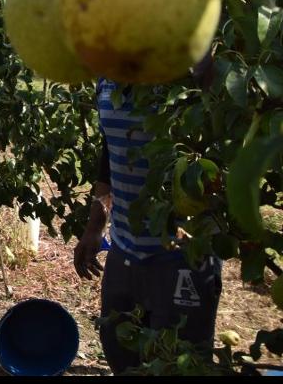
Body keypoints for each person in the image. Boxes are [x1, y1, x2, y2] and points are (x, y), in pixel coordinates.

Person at [72, 78, 223, 374]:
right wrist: (95, 226)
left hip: (184, 254)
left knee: (178, 362)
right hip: (125, 247)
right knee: (120, 352)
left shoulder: (184, 78)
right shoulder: (106, 81)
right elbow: (110, 155)